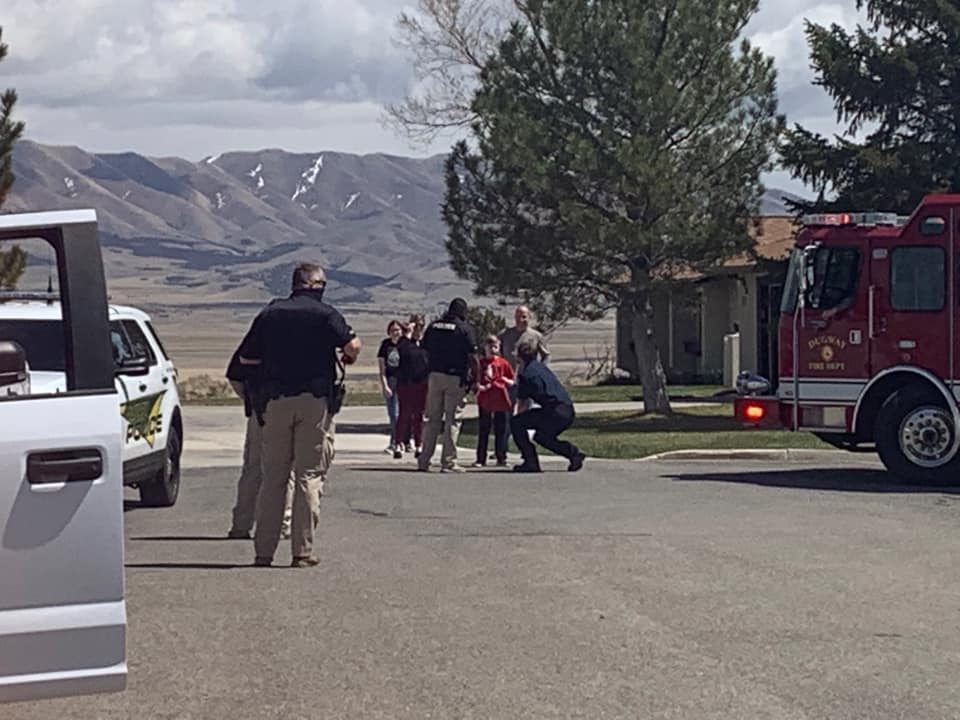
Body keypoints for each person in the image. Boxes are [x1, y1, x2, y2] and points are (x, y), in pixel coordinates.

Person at [237, 262, 361, 568]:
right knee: (308, 475)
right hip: (314, 401)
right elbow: (353, 345)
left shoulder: (271, 313)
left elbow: (246, 356)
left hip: (276, 401)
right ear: (316, 286)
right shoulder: (326, 314)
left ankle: (263, 552)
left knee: (274, 477)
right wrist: (344, 356)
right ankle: (302, 550)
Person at [224, 345, 292, 541]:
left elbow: (234, 376)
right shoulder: (296, 342)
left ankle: (241, 525)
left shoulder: (257, 340)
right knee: (283, 470)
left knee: (253, 469)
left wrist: (250, 398)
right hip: (281, 408)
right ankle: (281, 524)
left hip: (260, 408)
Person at [417, 298, 479, 473]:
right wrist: (475, 379)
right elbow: (473, 357)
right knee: (453, 420)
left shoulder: (434, 326)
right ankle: (448, 462)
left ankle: (424, 460)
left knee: (431, 420)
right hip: (455, 377)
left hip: (434, 376)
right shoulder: (464, 329)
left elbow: (424, 349)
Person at [511, 337, 586, 473]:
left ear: (519, 356)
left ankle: (530, 462)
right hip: (566, 410)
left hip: (555, 412)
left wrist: (519, 422)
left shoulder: (526, 375)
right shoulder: (540, 367)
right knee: (542, 437)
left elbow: (523, 403)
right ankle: (574, 454)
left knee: (516, 423)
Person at [474, 335, 515, 467]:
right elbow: (476, 381)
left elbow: (512, 380)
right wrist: (480, 387)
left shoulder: (503, 363)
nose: (492, 349)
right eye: (489, 346)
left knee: (501, 428)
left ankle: (501, 456)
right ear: (484, 347)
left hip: (500, 399)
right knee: (484, 428)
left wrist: (505, 380)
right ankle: (481, 458)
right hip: (486, 398)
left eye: (495, 346)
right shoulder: (481, 364)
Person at [395, 313, 429, 458]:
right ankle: (399, 443)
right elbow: (404, 353)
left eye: (421, 325)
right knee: (404, 414)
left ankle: (418, 444)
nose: (418, 329)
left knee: (419, 415)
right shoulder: (404, 343)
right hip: (405, 383)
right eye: (416, 325)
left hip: (421, 383)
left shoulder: (425, 343)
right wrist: (407, 334)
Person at [377, 320, 404, 459]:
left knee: (401, 414)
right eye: (393, 330)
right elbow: (382, 369)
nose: (395, 332)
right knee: (393, 414)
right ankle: (394, 441)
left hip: (403, 382)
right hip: (390, 381)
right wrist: (384, 385)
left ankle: (399, 442)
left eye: (398, 330)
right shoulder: (385, 346)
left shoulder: (405, 345)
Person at [499, 305, 550, 372]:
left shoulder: (536, 336)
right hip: (508, 376)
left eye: (524, 317)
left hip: (528, 376)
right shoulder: (504, 334)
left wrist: (539, 370)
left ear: (529, 317)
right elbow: (495, 352)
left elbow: (546, 356)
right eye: (518, 317)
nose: (520, 320)